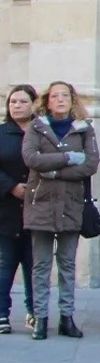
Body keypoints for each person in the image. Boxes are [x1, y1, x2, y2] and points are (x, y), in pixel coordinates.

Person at [21, 82, 100, 340]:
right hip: (41, 204)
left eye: (64, 95)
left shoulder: (84, 129)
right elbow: (32, 159)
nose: (60, 99)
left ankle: (67, 318)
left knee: (67, 264)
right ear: (47, 101)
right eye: (55, 96)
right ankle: (41, 319)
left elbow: (90, 164)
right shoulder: (36, 126)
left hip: (70, 204)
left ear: (72, 100)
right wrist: (67, 159)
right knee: (41, 265)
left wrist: (52, 171)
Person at [0, 85, 38, 335]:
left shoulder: (41, 132)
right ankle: (2, 314)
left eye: (22, 102)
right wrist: (11, 186)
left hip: (37, 209)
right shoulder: (2, 133)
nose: (16, 106)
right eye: (13, 102)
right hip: (6, 209)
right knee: (5, 264)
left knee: (34, 265)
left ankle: (35, 312)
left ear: (34, 104)